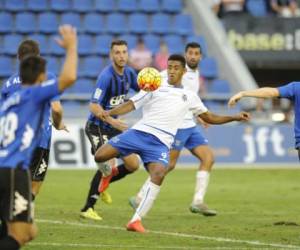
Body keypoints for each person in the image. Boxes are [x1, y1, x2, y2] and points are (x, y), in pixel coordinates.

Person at [95, 54, 250, 233]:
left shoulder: (190, 96)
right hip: (138, 133)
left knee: (159, 173)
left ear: (184, 71)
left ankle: (136, 221)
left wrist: (234, 117)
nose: (172, 71)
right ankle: (108, 173)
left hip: (159, 143)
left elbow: (210, 117)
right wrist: (109, 113)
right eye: (169, 67)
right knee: (100, 155)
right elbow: (131, 104)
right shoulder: (154, 86)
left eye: (176, 68)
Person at [0, 24, 77, 250]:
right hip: (14, 169)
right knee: (21, 234)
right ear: (42, 76)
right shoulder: (35, 92)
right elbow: (69, 78)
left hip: (4, 161)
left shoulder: (9, 95)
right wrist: (71, 47)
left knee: (28, 230)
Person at [130, 42, 218, 216]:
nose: (193, 56)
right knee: (168, 165)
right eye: (190, 53)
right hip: (177, 127)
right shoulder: (171, 74)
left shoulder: (195, 74)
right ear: (186, 55)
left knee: (208, 158)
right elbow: (153, 86)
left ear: (200, 57)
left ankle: (198, 201)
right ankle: (140, 197)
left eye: (196, 54)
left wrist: (200, 116)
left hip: (191, 126)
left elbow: (189, 99)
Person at [80, 40, 140, 221]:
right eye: (117, 53)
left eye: (124, 52)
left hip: (113, 128)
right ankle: (87, 208)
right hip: (97, 128)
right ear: (111, 55)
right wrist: (113, 122)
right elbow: (93, 105)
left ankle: (103, 185)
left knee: (133, 165)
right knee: (108, 165)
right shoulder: (106, 77)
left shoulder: (129, 73)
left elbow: (144, 90)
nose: (121, 56)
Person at [1, 39, 67, 200]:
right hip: (38, 140)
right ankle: (20, 216)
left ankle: (12, 213)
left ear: (18, 57)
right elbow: (56, 109)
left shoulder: (8, 84)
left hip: (13, 142)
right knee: (34, 184)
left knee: (13, 182)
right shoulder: (46, 77)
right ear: (38, 57)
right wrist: (58, 124)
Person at [228, 83, 300, 161]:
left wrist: (243, 93)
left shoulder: (297, 87)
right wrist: (243, 93)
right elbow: (271, 92)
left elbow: (270, 92)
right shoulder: (297, 87)